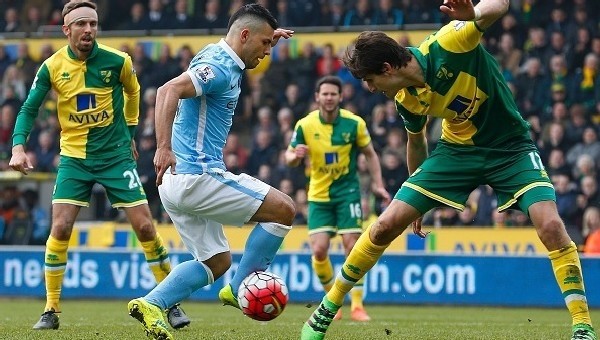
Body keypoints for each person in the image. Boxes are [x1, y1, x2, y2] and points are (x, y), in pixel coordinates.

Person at [301, 1, 597, 340]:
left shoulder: (448, 43)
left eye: (369, 80)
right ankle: (325, 311)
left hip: (510, 148)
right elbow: (416, 143)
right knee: (384, 225)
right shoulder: (405, 99)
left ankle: (582, 326)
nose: (370, 89)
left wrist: (472, 16)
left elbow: (500, 4)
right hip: (456, 152)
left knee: (551, 225)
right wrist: (415, 199)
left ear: (387, 68)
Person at [8, 0, 190, 331]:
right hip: (75, 158)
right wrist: (18, 146)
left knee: (146, 227)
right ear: (67, 30)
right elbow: (28, 108)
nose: (89, 30)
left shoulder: (118, 61)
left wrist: (131, 133)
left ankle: (170, 302)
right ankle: (50, 309)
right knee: (60, 228)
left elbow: (133, 93)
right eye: (81, 24)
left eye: (93, 23)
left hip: (115, 157)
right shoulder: (51, 67)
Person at [126, 4, 295, 340]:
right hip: (198, 175)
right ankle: (237, 289)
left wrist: (268, 34)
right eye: (264, 44)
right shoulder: (217, 67)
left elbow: (231, 52)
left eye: (270, 45)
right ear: (244, 36)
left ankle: (152, 303)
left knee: (216, 260)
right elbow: (167, 90)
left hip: (174, 185)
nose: (267, 52)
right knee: (284, 209)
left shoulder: (218, 53)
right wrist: (162, 146)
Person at [285, 75, 390, 321]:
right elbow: (288, 156)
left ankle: (357, 305)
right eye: (325, 94)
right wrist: (295, 155)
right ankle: (333, 301)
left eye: (334, 94)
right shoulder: (305, 125)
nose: (329, 98)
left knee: (352, 247)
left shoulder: (354, 124)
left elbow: (371, 154)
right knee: (319, 250)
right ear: (317, 97)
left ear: (341, 97)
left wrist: (378, 185)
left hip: (348, 192)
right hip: (319, 194)